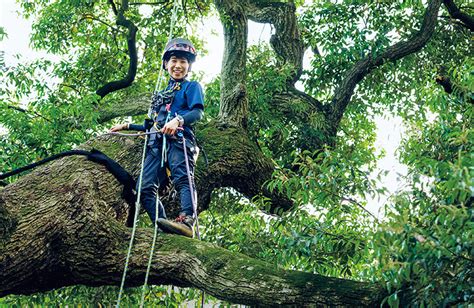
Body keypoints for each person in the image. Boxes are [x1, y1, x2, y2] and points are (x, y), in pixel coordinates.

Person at [110, 38, 204, 238]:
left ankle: (187, 221)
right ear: (166, 64)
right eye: (174, 61)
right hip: (156, 144)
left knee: (183, 178)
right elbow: (152, 124)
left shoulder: (191, 87)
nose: (178, 65)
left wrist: (178, 121)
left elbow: (197, 113)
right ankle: (162, 227)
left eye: (183, 62)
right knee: (143, 188)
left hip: (179, 139)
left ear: (188, 67)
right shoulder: (162, 94)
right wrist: (126, 126)